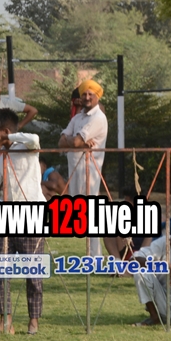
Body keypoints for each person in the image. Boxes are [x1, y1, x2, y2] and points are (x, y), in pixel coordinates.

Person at [0, 108, 46, 335]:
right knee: (0, 269)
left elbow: (33, 138)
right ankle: (5, 321)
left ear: (6, 132)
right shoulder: (1, 155)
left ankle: (33, 322)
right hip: (6, 215)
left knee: (33, 270)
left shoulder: (27, 147)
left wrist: (7, 139)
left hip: (31, 213)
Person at [59, 79, 108, 256]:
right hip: (75, 169)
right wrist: (75, 142)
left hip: (90, 171)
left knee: (90, 214)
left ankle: (95, 257)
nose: (87, 97)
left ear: (97, 97)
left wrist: (73, 141)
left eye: (90, 94)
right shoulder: (78, 117)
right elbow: (61, 142)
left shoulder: (98, 118)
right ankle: (92, 256)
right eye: (84, 94)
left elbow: (75, 141)